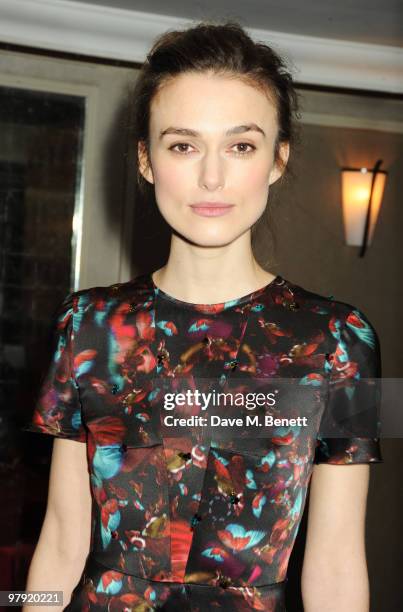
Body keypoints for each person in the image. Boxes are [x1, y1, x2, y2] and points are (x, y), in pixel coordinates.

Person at [23, 20, 382, 612]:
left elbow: (340, 563)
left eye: (241, 146)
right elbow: (60, 543)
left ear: (276, 160)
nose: (211, 177)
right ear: (146, 159)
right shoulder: (84, 323)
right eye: (183, 144)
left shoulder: (346, 338)